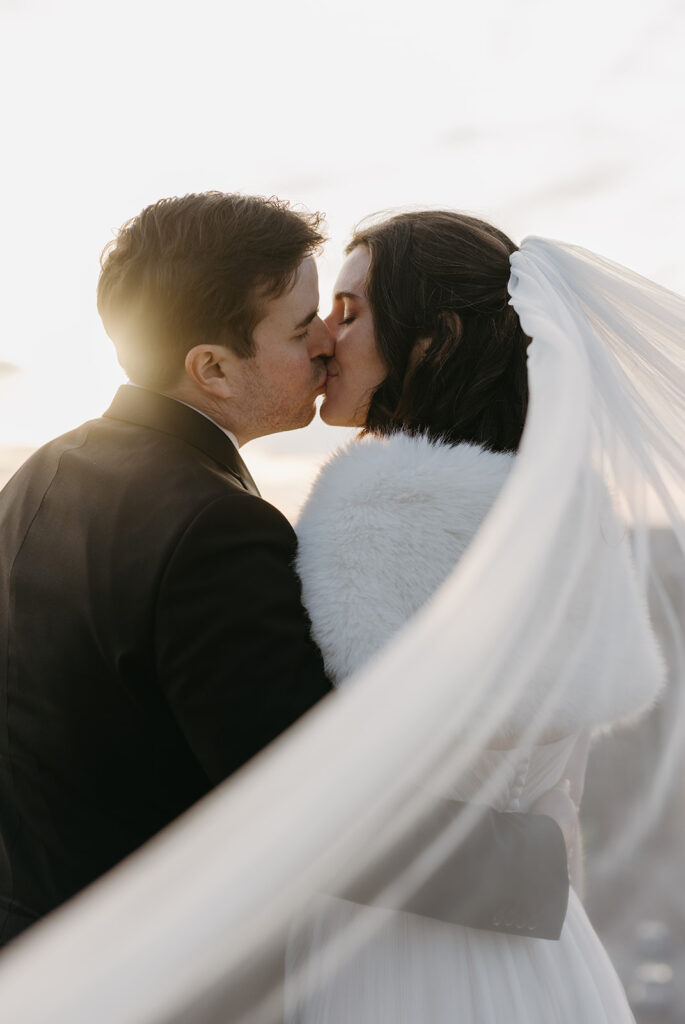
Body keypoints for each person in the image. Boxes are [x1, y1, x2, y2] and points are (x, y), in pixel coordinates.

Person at [0, 193, 570, 950]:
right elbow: (300, 805)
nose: (326, 346)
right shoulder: (216, 528)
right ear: (212, 368)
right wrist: (537, 863)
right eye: (303, 329)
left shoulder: (39, 475)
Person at [289, 210, 667, 1021]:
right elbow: (557, 800)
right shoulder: (566, 509)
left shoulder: (372, 505)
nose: (324, 336)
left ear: (437, 339)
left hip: (391, 944)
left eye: (350, 312)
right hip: (543, 947)